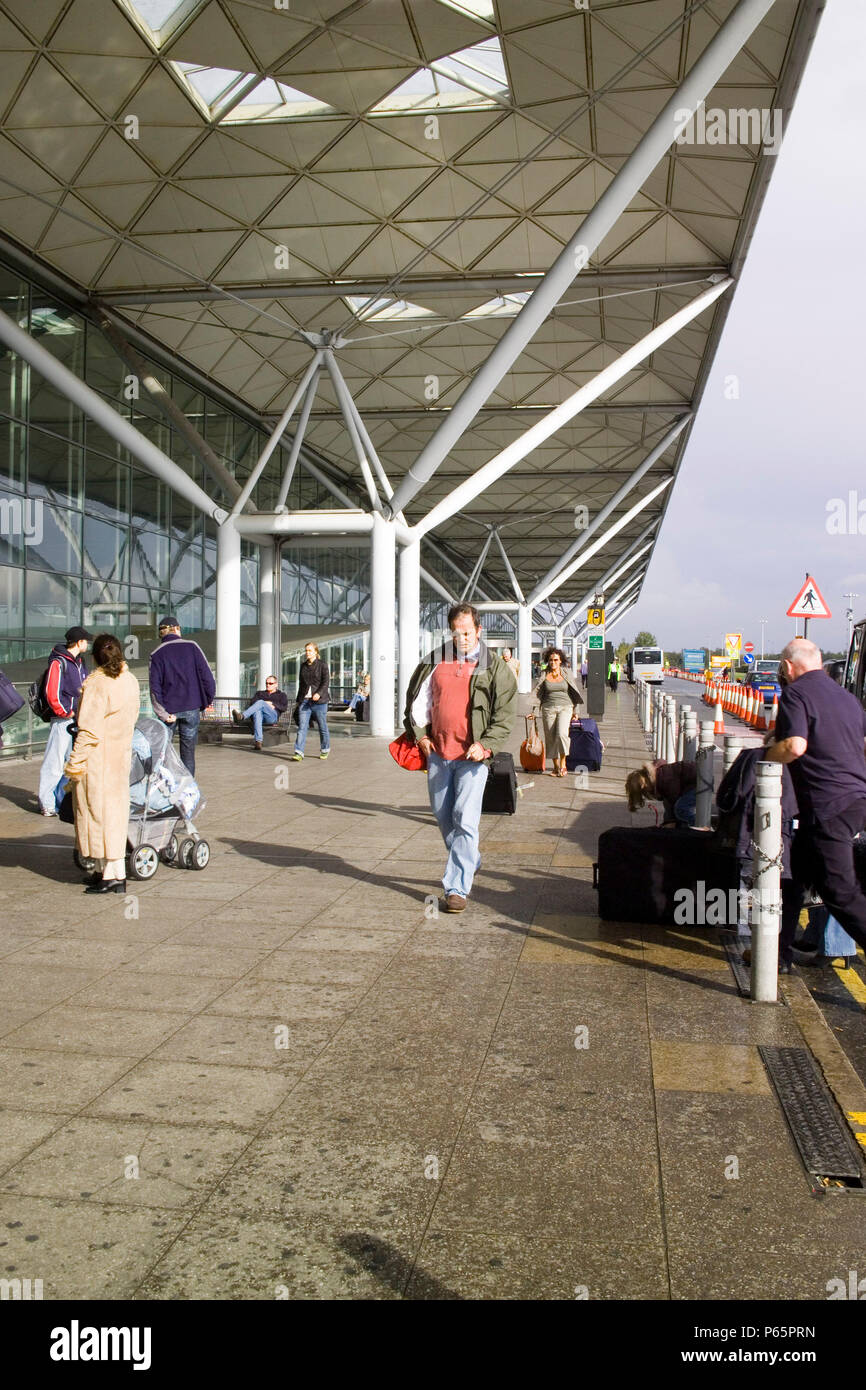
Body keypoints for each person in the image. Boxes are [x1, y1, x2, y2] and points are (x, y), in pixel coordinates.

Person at [404, 602, 517, 913]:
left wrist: (486, 745)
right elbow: (416, 701)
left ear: (478, 630)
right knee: (444, 818)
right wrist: (421, 736)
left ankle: (456, 889)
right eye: (457, 633)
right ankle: (471, 859)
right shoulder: (434, 661)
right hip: (439, 754)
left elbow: (505, 715)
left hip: (473, 756)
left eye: (467, 632)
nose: (463, 638)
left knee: (465, 820)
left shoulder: (493, 666)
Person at [764, 637, 866, 956]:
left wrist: (768, 755)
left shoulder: (796, 692)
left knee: (839, 891)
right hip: (855, 800)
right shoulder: (847, 698)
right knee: (794, 877)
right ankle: (779, 954)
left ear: (788, 666)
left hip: (828, 808)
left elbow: (795, 746)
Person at [63, 634, 140, 895]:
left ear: (94, 657)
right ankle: (111, 872)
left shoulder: (97, 683)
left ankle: (109, 875)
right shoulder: (129, 680)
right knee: (114, 816)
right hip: (120, 759)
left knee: (97, 816)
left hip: (97, 762)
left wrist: (74, 765)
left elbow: (89, 731)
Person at [148, 615, 215, 776]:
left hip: (169, 710)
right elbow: (208, 677)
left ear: (161, 633)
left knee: (164, 754)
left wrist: (162, 713)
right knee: (188, 755)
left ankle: (166, 787)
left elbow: (154, 688)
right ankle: (188, 790)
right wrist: (207, 699)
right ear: (178, 629)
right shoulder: (192, 647)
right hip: (192, 706)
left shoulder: (156, 654)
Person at [38, 626, 91, 816]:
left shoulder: (79, 662)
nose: (88, 643)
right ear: (78, 642)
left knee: (71, 762)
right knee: (54, 761)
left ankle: (62, 801)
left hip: (75, 719)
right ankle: (47, 803)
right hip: (63, 720)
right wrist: (65, 711)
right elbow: (52, 692)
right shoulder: (59, 662)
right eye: (86, 640)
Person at [533, 647, 582, 778]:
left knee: (561, 734)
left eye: (555, 660)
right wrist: (534, 712)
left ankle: (563, 764)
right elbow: (538, 694)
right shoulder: (544, 674)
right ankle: (555, 767)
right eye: (550, 660)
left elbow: (574, 692)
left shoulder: (566, 672)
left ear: (560, 661)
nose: (553, 662)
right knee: (550, 738)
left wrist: (576, 711)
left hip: (566, 707)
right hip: (548, 708)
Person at [626, 760, 697, 826]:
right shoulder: (659, 774)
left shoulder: (663, 781)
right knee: (679, 808)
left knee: (681, 809)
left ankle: (699, 827)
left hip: (697, 782)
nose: (646, 794)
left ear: (645, 785)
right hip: (696, 778)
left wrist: (671, 822)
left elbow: (673, 800)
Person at [291, 642, 330, 761]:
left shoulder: (322, 665)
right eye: (306, 650)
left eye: (310, 650)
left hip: (320, 702)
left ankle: (325, 749)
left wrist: (318, 693)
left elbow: (325, 682)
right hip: (305, 702)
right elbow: (302, 685)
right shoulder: (303, 666)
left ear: (316, 652)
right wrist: (298, 702)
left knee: (322, 727)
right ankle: (299, 752)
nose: (307, 653)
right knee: (302, 727)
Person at [231, 676, 288, 750]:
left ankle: (242, 716)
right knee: (257, 712)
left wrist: (272, 704)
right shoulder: (260, 693)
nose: (268, 685)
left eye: (270, 683)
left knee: (261, 702)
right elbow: (253, 704)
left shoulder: (281, 695)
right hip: (260, 717)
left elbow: (284, 707)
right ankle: (258, 742)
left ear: (276, 684)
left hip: (272, 717)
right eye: (267, 683)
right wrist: (265, 704)